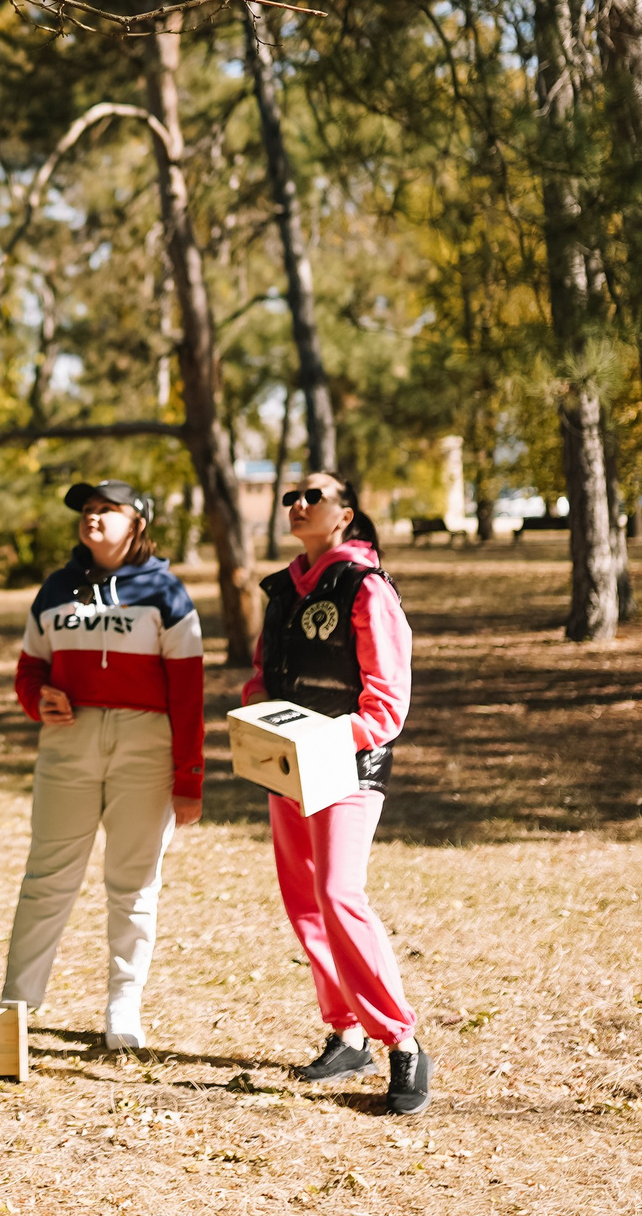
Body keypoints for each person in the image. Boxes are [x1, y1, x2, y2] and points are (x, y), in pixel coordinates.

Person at [247, 470, 432, 1116]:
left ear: (345, 513)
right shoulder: (282, 589)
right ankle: (347, 1034)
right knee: (304, 902)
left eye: (313, 496)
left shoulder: (366, 586)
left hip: (349, 765)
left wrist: (325, 736)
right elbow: (263, 674)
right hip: (287, 764)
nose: (297, 504)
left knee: (337, 895)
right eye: (290, 497)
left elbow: (386, 703)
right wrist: (259, 714)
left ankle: (401, 1040)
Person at [0, 480, 205, 1050]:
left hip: (147, 743)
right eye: (86, 510)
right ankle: (15, 1005)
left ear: (137, 523)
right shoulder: (56, 588)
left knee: (134, 882)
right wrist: (36, 698)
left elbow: (189, 692)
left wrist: (189, 776)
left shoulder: (166, 593)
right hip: (70, 741)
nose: (91, 517)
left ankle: (123, 1007)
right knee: (47, 876)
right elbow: (30, 668)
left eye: (106, 510)